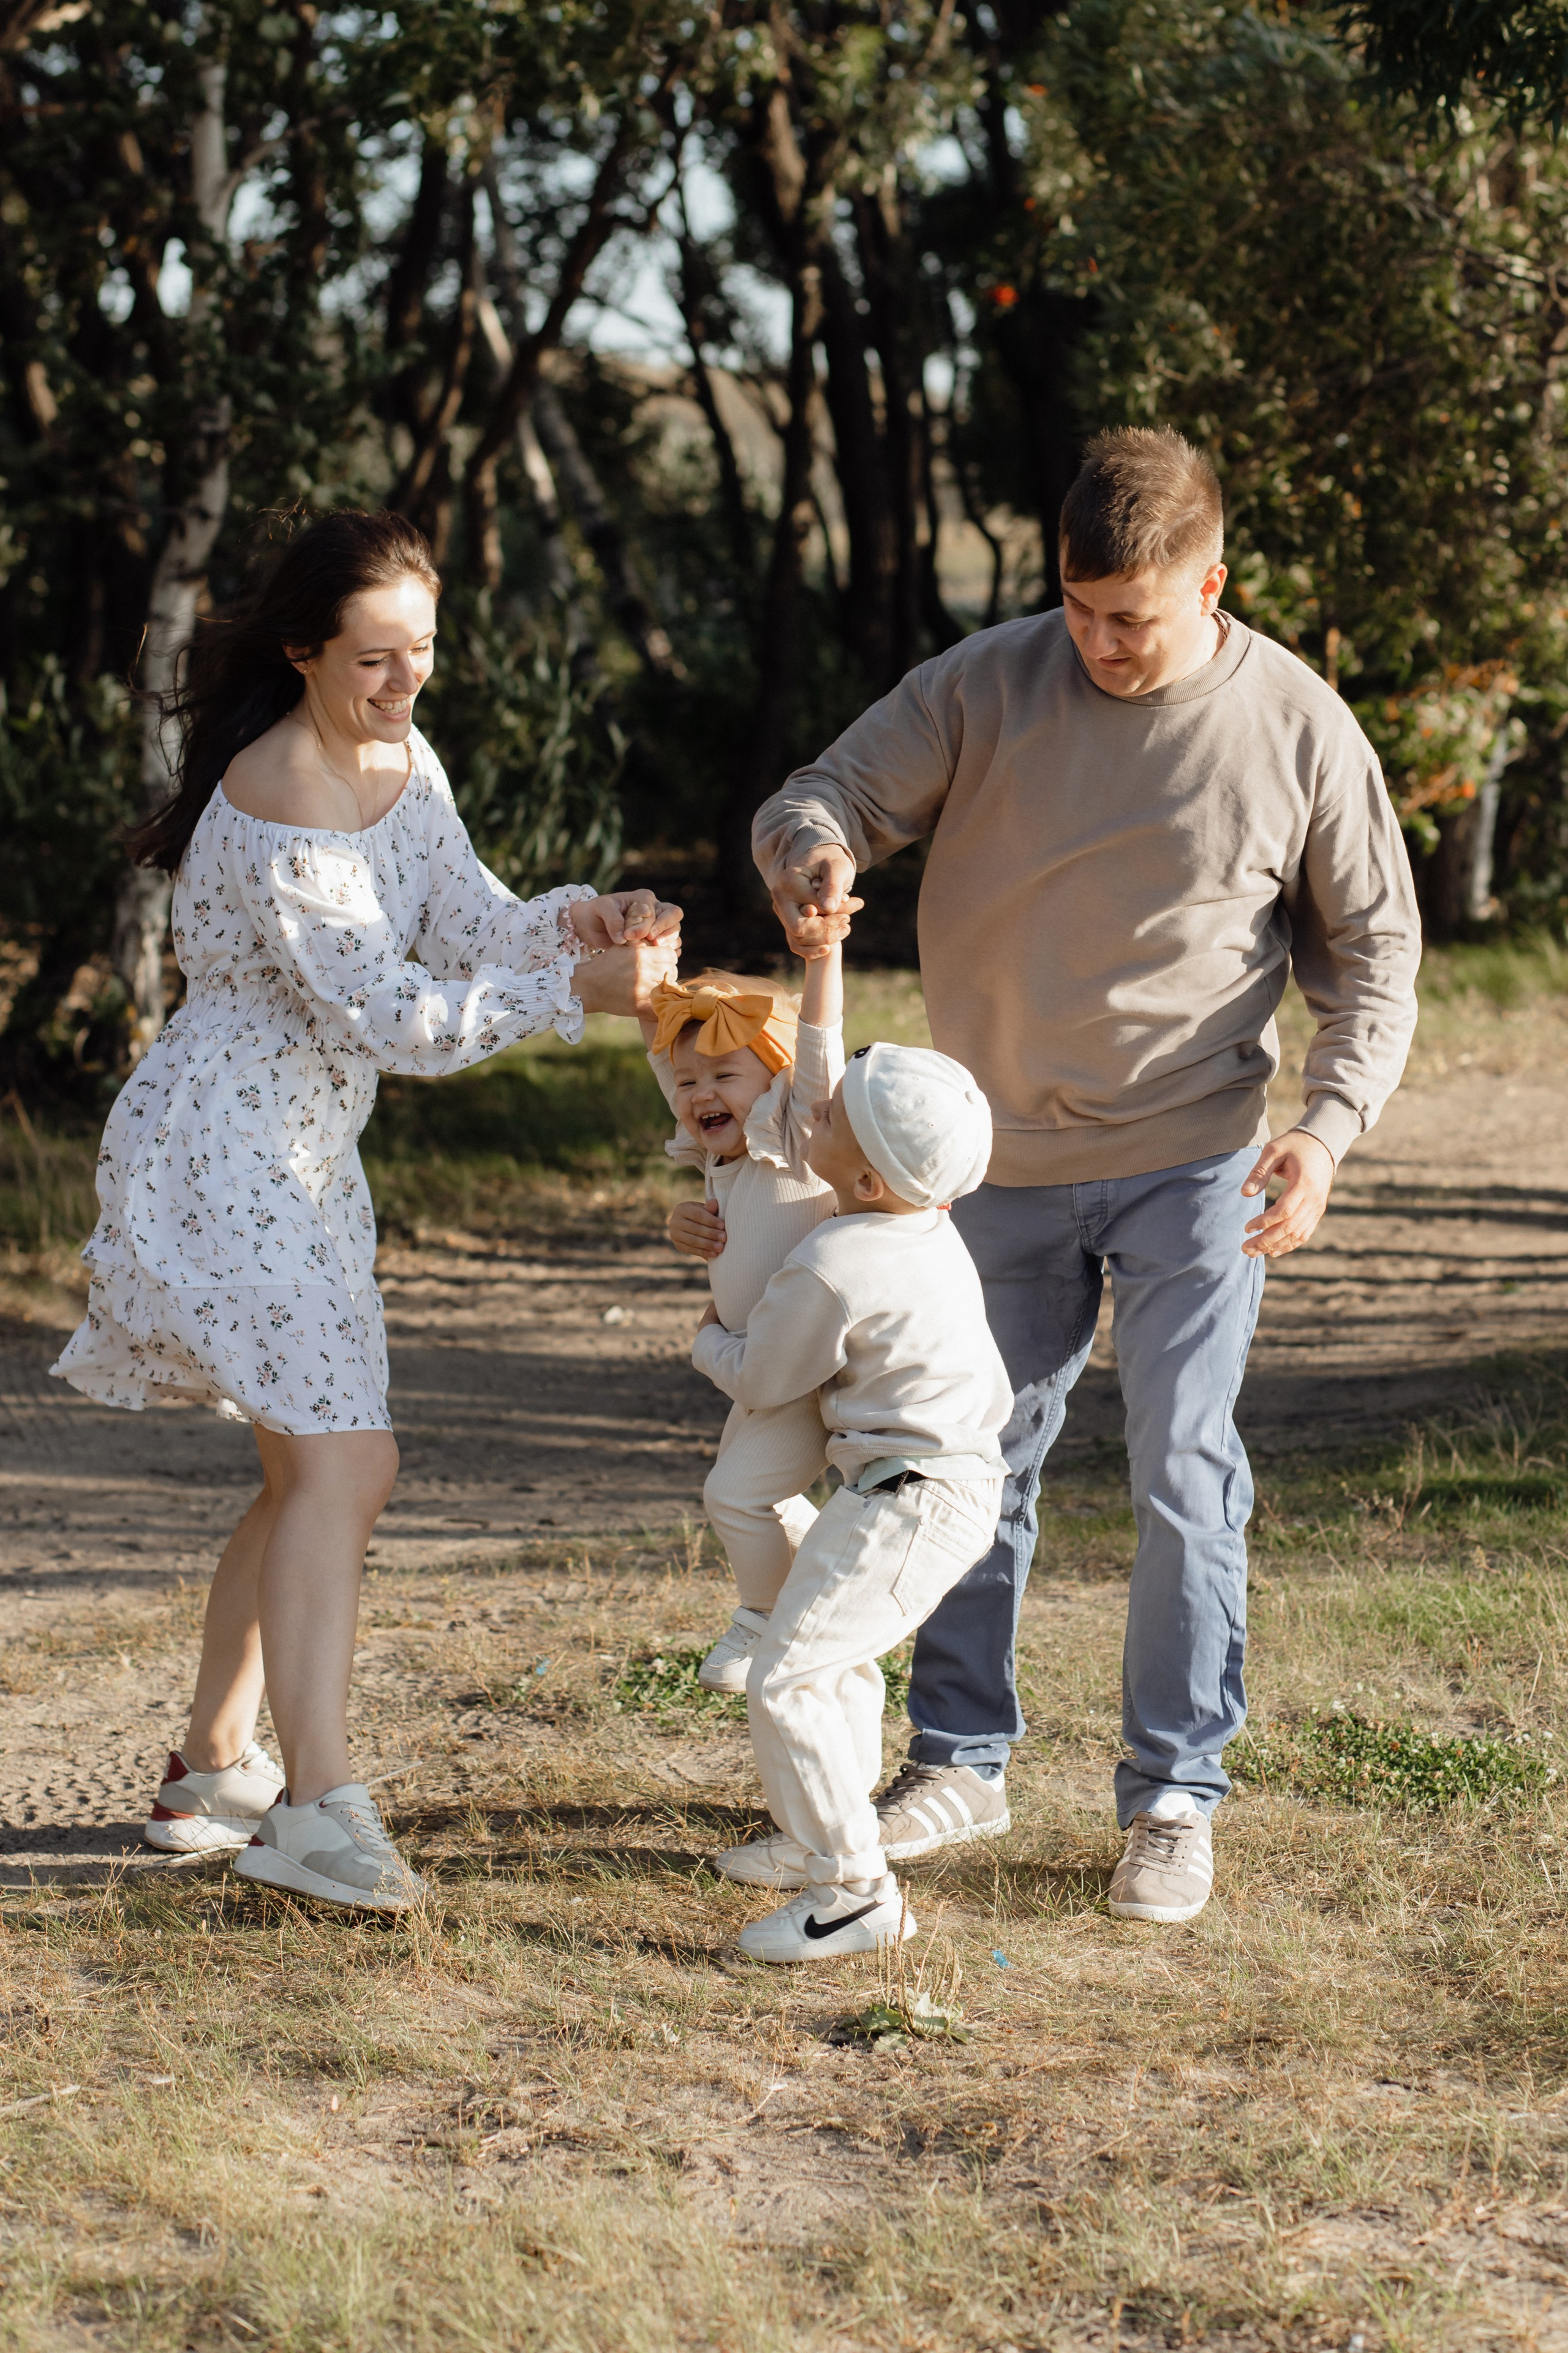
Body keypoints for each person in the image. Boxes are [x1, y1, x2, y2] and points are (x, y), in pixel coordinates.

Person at [753, 426, 1422, 1924]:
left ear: (1211, 585)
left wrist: (1323, 1128)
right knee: (957, 1456)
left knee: (1183, 1463)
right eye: (1078, 606)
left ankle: (1172, 1793)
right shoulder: (985, 682)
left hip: (1197, 1156)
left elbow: (1372, 953)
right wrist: (807, 854)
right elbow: (821, 792)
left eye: (1134, 615)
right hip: (989, 1162)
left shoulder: (1297, 727)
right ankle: (959, 1753)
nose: (1101, 642)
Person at [52, 510, 680, 1913]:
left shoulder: (399, 754)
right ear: (302, 649)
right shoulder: (280, 791)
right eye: (374, 660)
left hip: (306, 1154)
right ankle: (315, 1804)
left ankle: (214, 1768)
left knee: (310, 1469)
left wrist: (589, 924)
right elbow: (395, 1014)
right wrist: (567, 1000)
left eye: (422, 657)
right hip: (222, 1150)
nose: (404, 686)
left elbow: (467, 921)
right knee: (345, 1464)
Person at [695, 1044, 1010, 1962]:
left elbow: (763, 1377)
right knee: (831, 1665)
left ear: (867, 1176)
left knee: (790, 1676)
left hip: (911, 1501)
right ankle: (814, 1837)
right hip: (925, 1487)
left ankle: (856, 1891)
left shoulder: (836, 1258)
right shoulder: (920, 1224)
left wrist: (707, 1339)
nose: (809, 1111)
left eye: (829, 1116)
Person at [643, 923, 852, 1693]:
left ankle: (766, 1618)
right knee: (751, 1488)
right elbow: (662, 1058)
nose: (699, 1093)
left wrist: (822, 956)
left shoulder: (795, 1137)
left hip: (805, 1356)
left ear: (776, 1079)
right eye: (690, 1081)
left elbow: (820, 1044)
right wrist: (649, 987)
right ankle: (823, 1582)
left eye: (725, 1074)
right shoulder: (717, 1159)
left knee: (735, 1494)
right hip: (761, 1359)